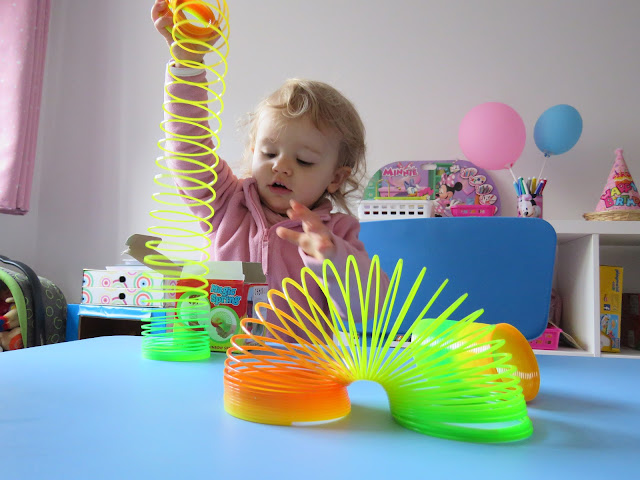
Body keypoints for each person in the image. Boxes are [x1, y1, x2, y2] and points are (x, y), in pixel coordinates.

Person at [151, 1, 388, 341]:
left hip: (298, 367)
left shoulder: (335, 233)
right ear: (252, 152)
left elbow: (369, 308)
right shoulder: (225, 204)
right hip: (224, 361)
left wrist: (331, 257)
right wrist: (187, 64)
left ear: (336, 177)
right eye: (269, 152)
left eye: (304, 160)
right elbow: (187, 145)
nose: (281, 166)